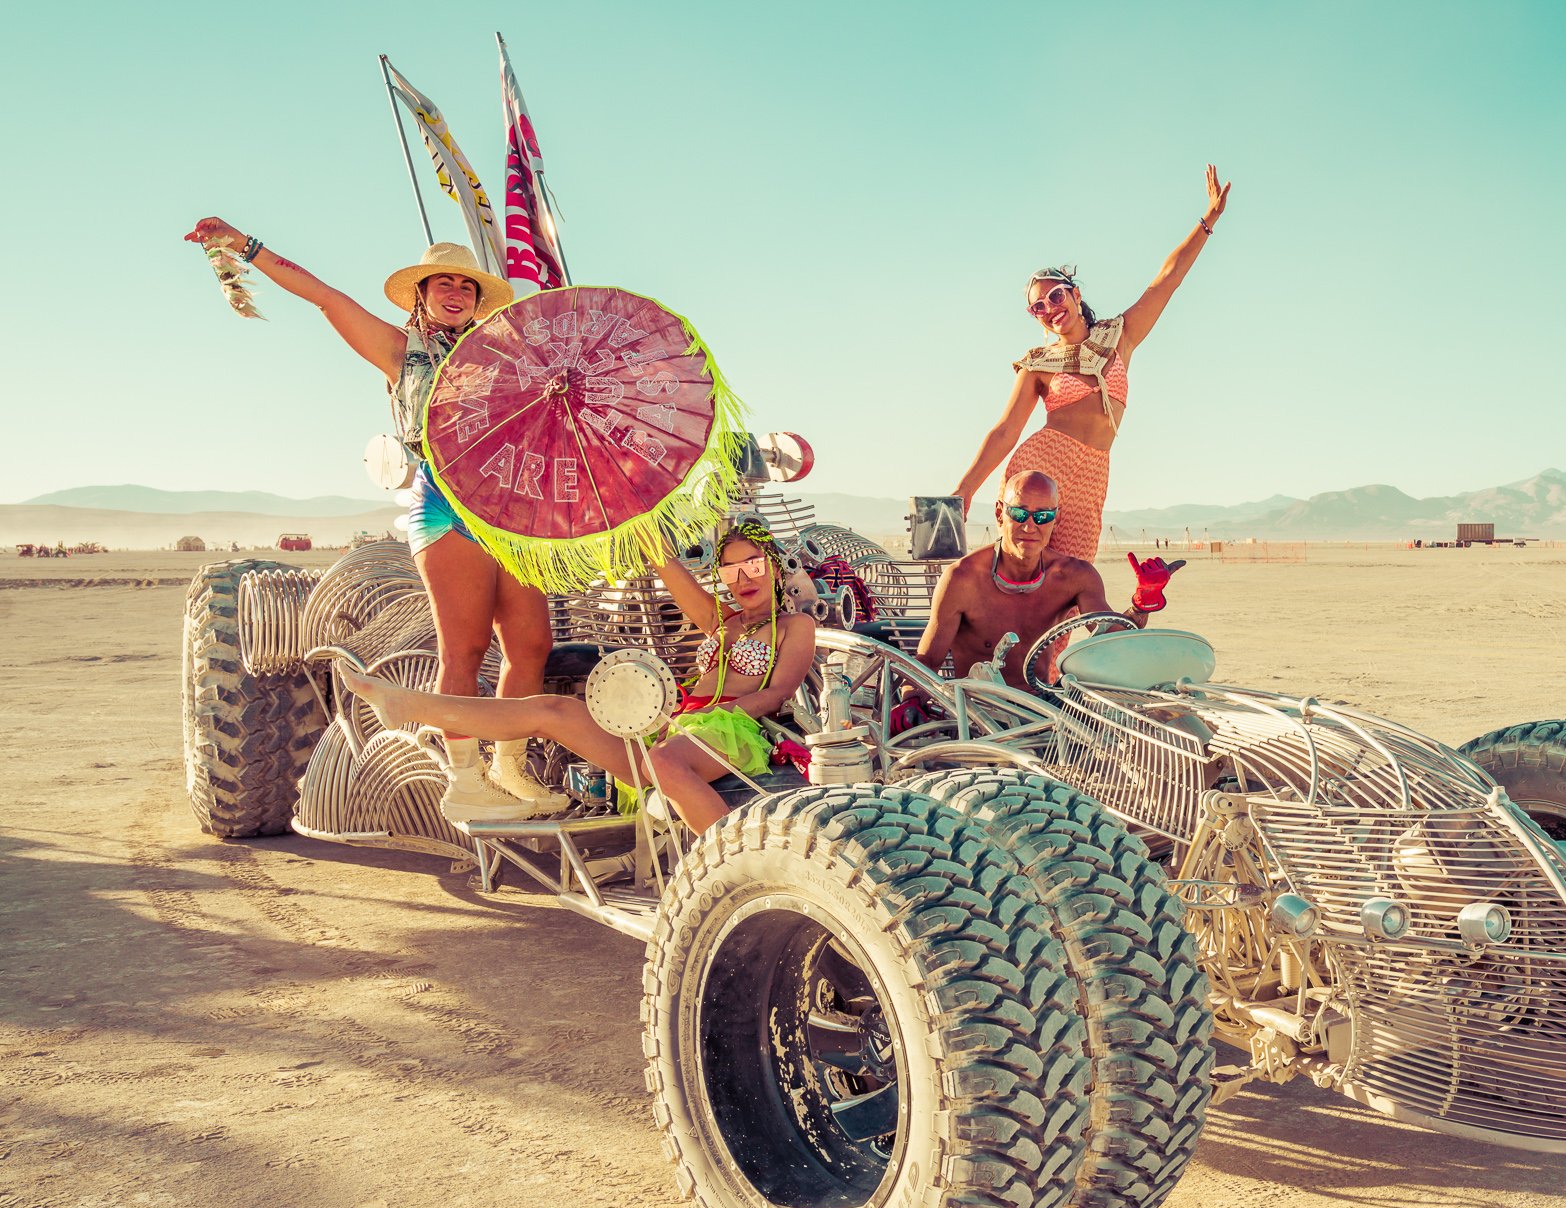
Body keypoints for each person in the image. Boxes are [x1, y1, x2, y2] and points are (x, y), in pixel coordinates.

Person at [182, 220, 556, 822]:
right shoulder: (401, 352)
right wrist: (244, 247)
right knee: (465, 647)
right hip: (447, 501)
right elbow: (326, 297)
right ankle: (464, 781)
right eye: (443, 283)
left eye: (467, 284)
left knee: (532, 643)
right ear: (422, 293)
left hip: (511, 507)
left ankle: (506, 767)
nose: (456, 292)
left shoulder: (506, 360)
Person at [337, 522, 818, 834]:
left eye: (754, 564)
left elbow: (778, 693)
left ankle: (730, 868)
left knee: (665, 763)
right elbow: (665, 565)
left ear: (774, 567)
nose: (742, 577)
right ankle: (410, 706)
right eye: (730, 569)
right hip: (683, 727)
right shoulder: (723, 620)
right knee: (554, 710)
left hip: (738, 732)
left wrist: (720, 712)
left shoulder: (796, 626)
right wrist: (640, 520)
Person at [950, 165, 1232, 561]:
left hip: (1093, 473)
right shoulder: (1038, 365)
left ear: (1074, 294)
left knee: (1073, 584)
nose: (1049, 308)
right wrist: (964, 491)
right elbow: (1005, 431)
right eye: (1037, 307)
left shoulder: (1120, 337)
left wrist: (1208, 220)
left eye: (1055, 297)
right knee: (1024, 577)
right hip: (1039, 469)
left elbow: (1168, 278)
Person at [916, 471, 1182, 691]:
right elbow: (927, 660)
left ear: (1055, 517)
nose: (1030, 526)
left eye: (1043, 516)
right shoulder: (962, 578)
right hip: (978, 718)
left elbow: (1113, 642)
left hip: (1042, 711)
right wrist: (910, 699)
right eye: (1019, 513)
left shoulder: (1074, 577)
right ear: (1000, 513)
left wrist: (1142, 603)